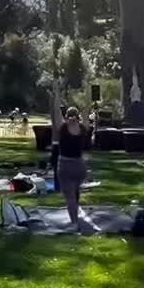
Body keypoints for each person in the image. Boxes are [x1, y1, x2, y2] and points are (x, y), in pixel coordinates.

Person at [53, 89, 90, 230]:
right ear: (77, 117)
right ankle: (76, 212)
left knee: (69, 196)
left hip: (65, 166)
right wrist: (87, 100)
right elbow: (86, 114)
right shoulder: (83, 128)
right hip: (80, 167)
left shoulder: (63, 128)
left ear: (67, 116)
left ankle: (74, 223)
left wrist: (56, 95)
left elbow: (57, 113)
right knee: (74, 191)